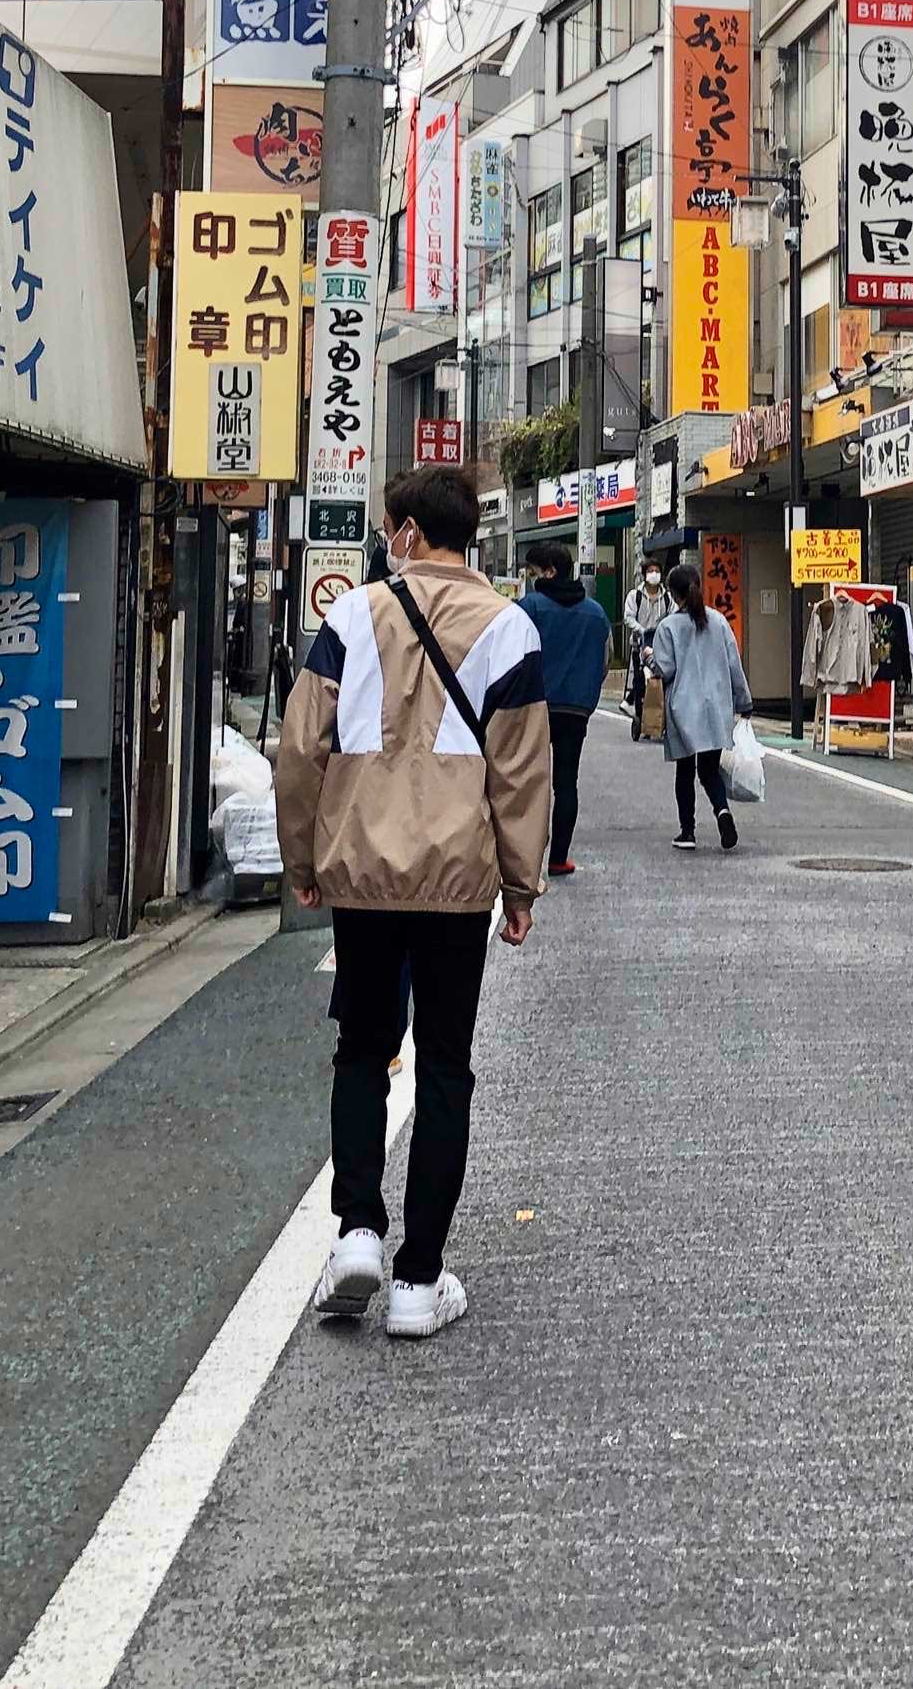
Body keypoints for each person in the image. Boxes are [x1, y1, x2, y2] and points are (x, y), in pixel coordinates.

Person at [276, 467, 550, 1342]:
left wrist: (302, 859)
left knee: (361, 1049)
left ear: (402, 531)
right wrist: (520, 884)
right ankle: (418, 1281)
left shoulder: (352, 617)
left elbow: (297, 750)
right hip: (456, 883)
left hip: (361, 874)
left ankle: (357, 1230)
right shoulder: (509, 628)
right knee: (444, 1066)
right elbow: (521, 773)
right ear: (467, 534)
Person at [643, 561, 752, 851]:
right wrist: (744, 701)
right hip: (717, 706)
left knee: (685, 770)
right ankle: (722, 812)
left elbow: (664, 670)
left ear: (672, 593)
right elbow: (733, 665)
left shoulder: (668, 627)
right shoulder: (718, 621)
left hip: (683, 707)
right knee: (709, 770)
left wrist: (648, 656)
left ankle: (687, 831)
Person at [516, 540, 609, 876]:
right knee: (566, 783)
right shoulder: (596, 613)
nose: (531, 578)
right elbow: (603, 662)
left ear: (550, 571)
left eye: (534, 571)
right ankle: (559, 858)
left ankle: (525, 859)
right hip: (576, 708)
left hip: (535, 706)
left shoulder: (531, 607)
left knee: (530, 782)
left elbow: (514, 657)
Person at [623, 559, 671, 743]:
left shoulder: (667, 598)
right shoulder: (635, 596)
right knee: (640, 682)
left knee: (662, 683)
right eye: (650, 571)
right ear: (644, 575)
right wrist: (641, 630)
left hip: (661, 647)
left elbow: (672, 616)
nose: (654, 574)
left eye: (657, 570)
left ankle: (660, 718)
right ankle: (641, 716)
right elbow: (628, 617)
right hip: (639, 645)